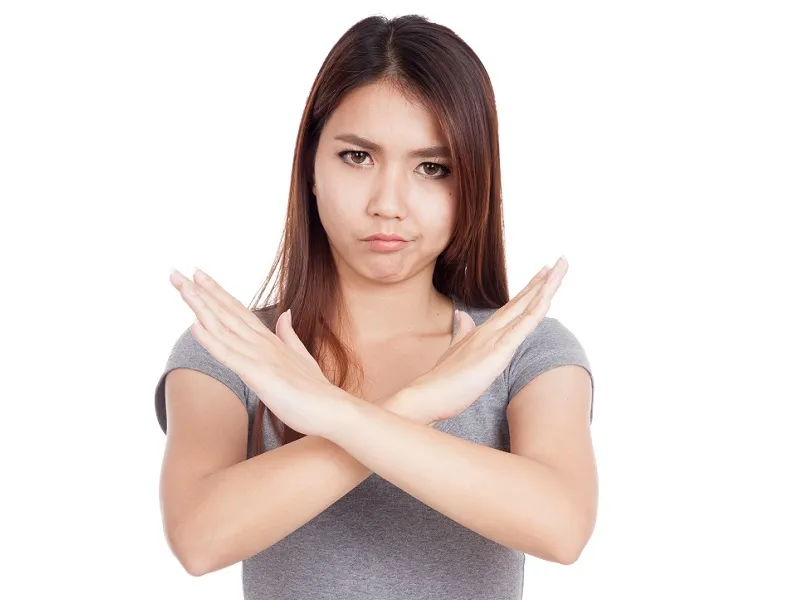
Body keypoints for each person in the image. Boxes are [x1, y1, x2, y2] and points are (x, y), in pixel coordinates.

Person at [154, 13, 597, 600]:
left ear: (474, 184)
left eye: (432, 168)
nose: (388, 204)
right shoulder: (236, 351)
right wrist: (420, 405)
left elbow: (562, 527)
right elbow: (199, 538)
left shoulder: (520, 349)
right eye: (358, 157)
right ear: (310, 166)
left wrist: (330, 413)